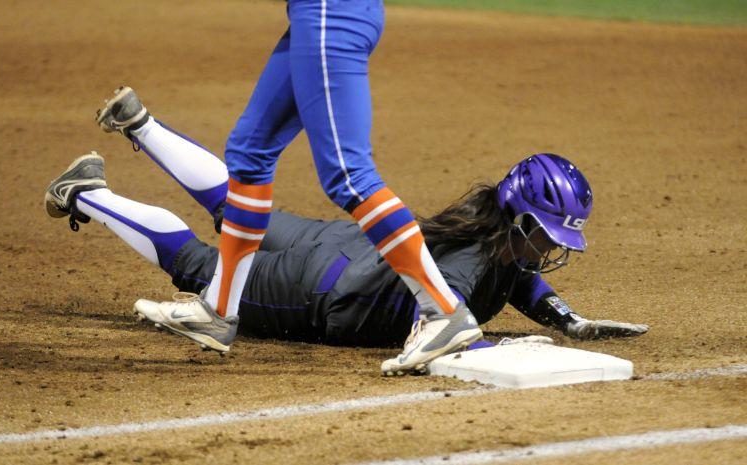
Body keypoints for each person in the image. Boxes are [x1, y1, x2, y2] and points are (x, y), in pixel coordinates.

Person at [44, 93, 648, 375]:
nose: (555, 247)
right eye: (548, 234)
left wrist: (567, 321)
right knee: (203, 268)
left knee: (238, 205)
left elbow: (518, 282)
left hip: (336, 244)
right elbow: (444, 320)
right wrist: (495, 346)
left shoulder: (492, 234)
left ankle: (141, 125)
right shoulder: (473, 258)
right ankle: (88, 194)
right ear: (520, 221)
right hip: (317, 293)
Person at [91, 0, 487, 374]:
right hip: (314, 16)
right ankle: (218, 310)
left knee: (348, 175)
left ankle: (443, 312)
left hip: (332, 12)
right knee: (250, 152)